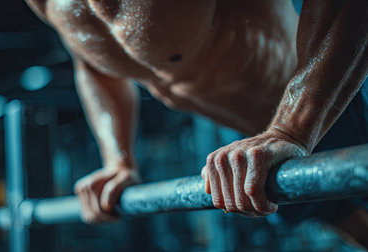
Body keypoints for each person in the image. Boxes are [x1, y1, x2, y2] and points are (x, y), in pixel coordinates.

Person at [25, 0, 367, 246]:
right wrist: (118, 159)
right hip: (258, 140)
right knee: (354, 228)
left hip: (338, 92)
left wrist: (291, 128)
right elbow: (92, 62)